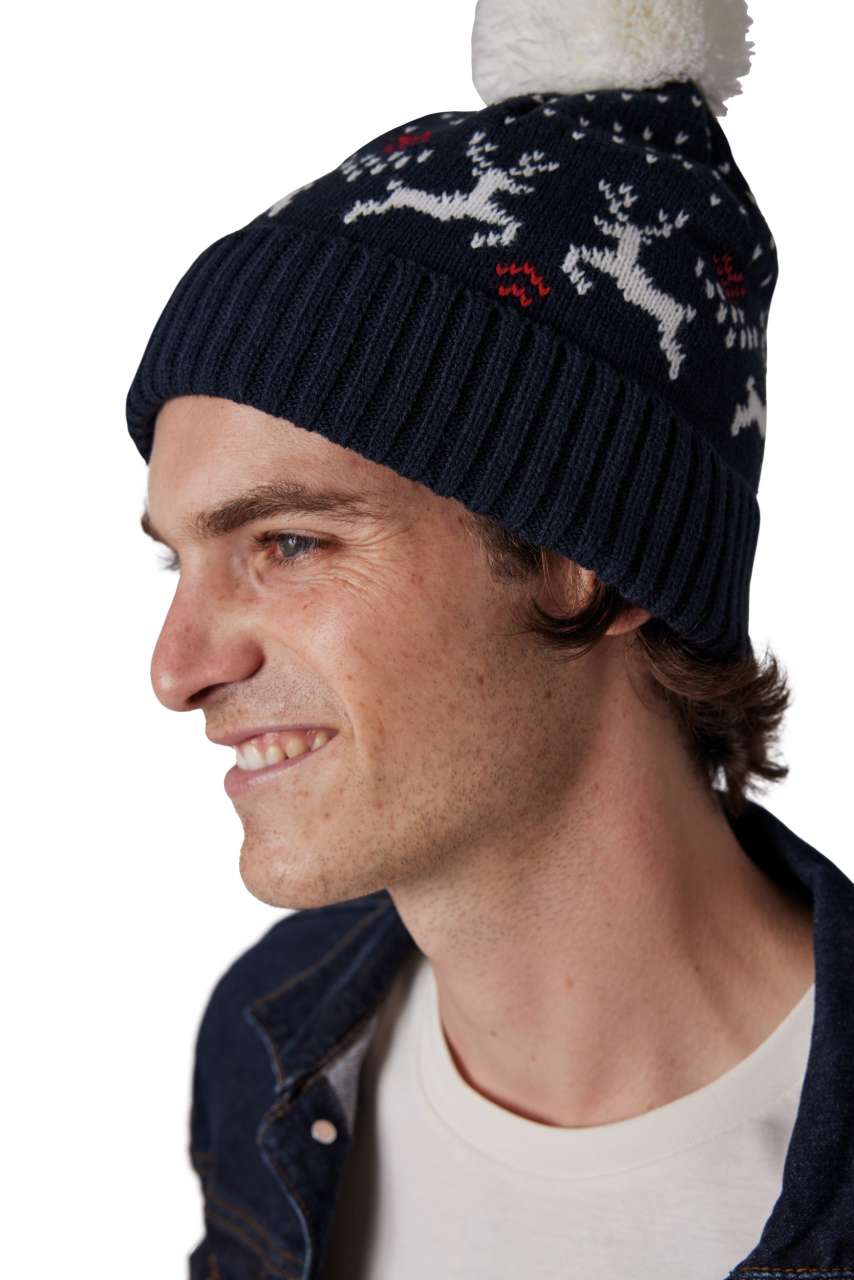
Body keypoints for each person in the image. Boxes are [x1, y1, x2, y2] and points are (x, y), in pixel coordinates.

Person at [126, 2, 853, 1277]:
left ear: (586, 557)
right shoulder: (268, 1042)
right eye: (176, 559)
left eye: (287, 543)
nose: (178, 668)